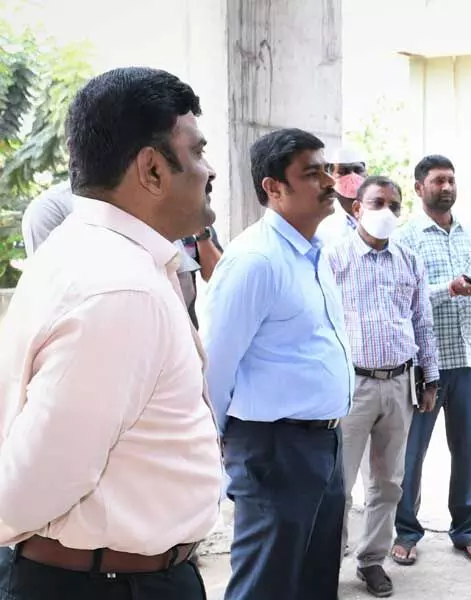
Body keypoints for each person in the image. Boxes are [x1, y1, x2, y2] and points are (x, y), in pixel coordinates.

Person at [0, 67, 223, 599]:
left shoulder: (98, 254)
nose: (209, 169)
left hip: (109, 574)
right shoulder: (120, 290)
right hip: (107, 583)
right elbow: (37, 482)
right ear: (151, 169)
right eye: (197, 151)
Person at [201, 128, 353, 600]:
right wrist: (229, 445)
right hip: (272, 449)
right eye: (312, 173)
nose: (328, 182)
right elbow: (215, 367)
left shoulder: (314, 253)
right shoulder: (254, 260)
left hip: (323, 442)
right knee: (265, 585)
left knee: (314, 580)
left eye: (326, 169)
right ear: (273, 187)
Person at [327, 175, 440, 598]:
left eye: (394, 205)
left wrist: (430, 378)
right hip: (350, 385)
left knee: (389, 481)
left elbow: (422, 322)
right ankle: (328, 561)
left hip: (398, 384)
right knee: (338, 483)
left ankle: (371, 560)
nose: (386, 213)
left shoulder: (409, 260)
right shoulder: (334, 258)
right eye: (377, 203)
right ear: (356, 208)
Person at [391, 155, 471, 566]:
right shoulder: (406, 238)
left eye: (451, 180)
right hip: (425, 364)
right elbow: (405, 297)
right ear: (419, 188)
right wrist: (447, 290)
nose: (447, 187)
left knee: (468, 451)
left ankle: (467, 530)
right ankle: (405, 532)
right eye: (438, 181)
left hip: (470, 357)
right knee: (411, 451)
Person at [22, 180, 224, 329]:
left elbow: (206, 279)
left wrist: (201, 230)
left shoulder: (167, 200)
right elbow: (52, 297)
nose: (209, 171)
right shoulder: (50, 209)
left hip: (176, 338)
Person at [316, 146, 367, 244]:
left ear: (367, 174)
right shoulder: (322, 220)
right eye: (343, 172)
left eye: (358, 170)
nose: (352, 176)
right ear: (331, 176)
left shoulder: (378, 210)